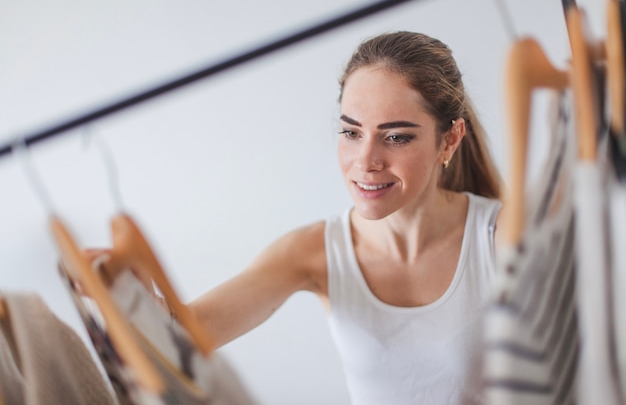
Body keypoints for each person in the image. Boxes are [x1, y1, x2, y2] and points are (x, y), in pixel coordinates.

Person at [97, 31, 503, 405]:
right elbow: (190, 331)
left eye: (395, 137)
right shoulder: (313, 252)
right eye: (351, 133)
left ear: (449, 140)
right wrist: (138, 301)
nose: (366, 162)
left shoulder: (502, 236)